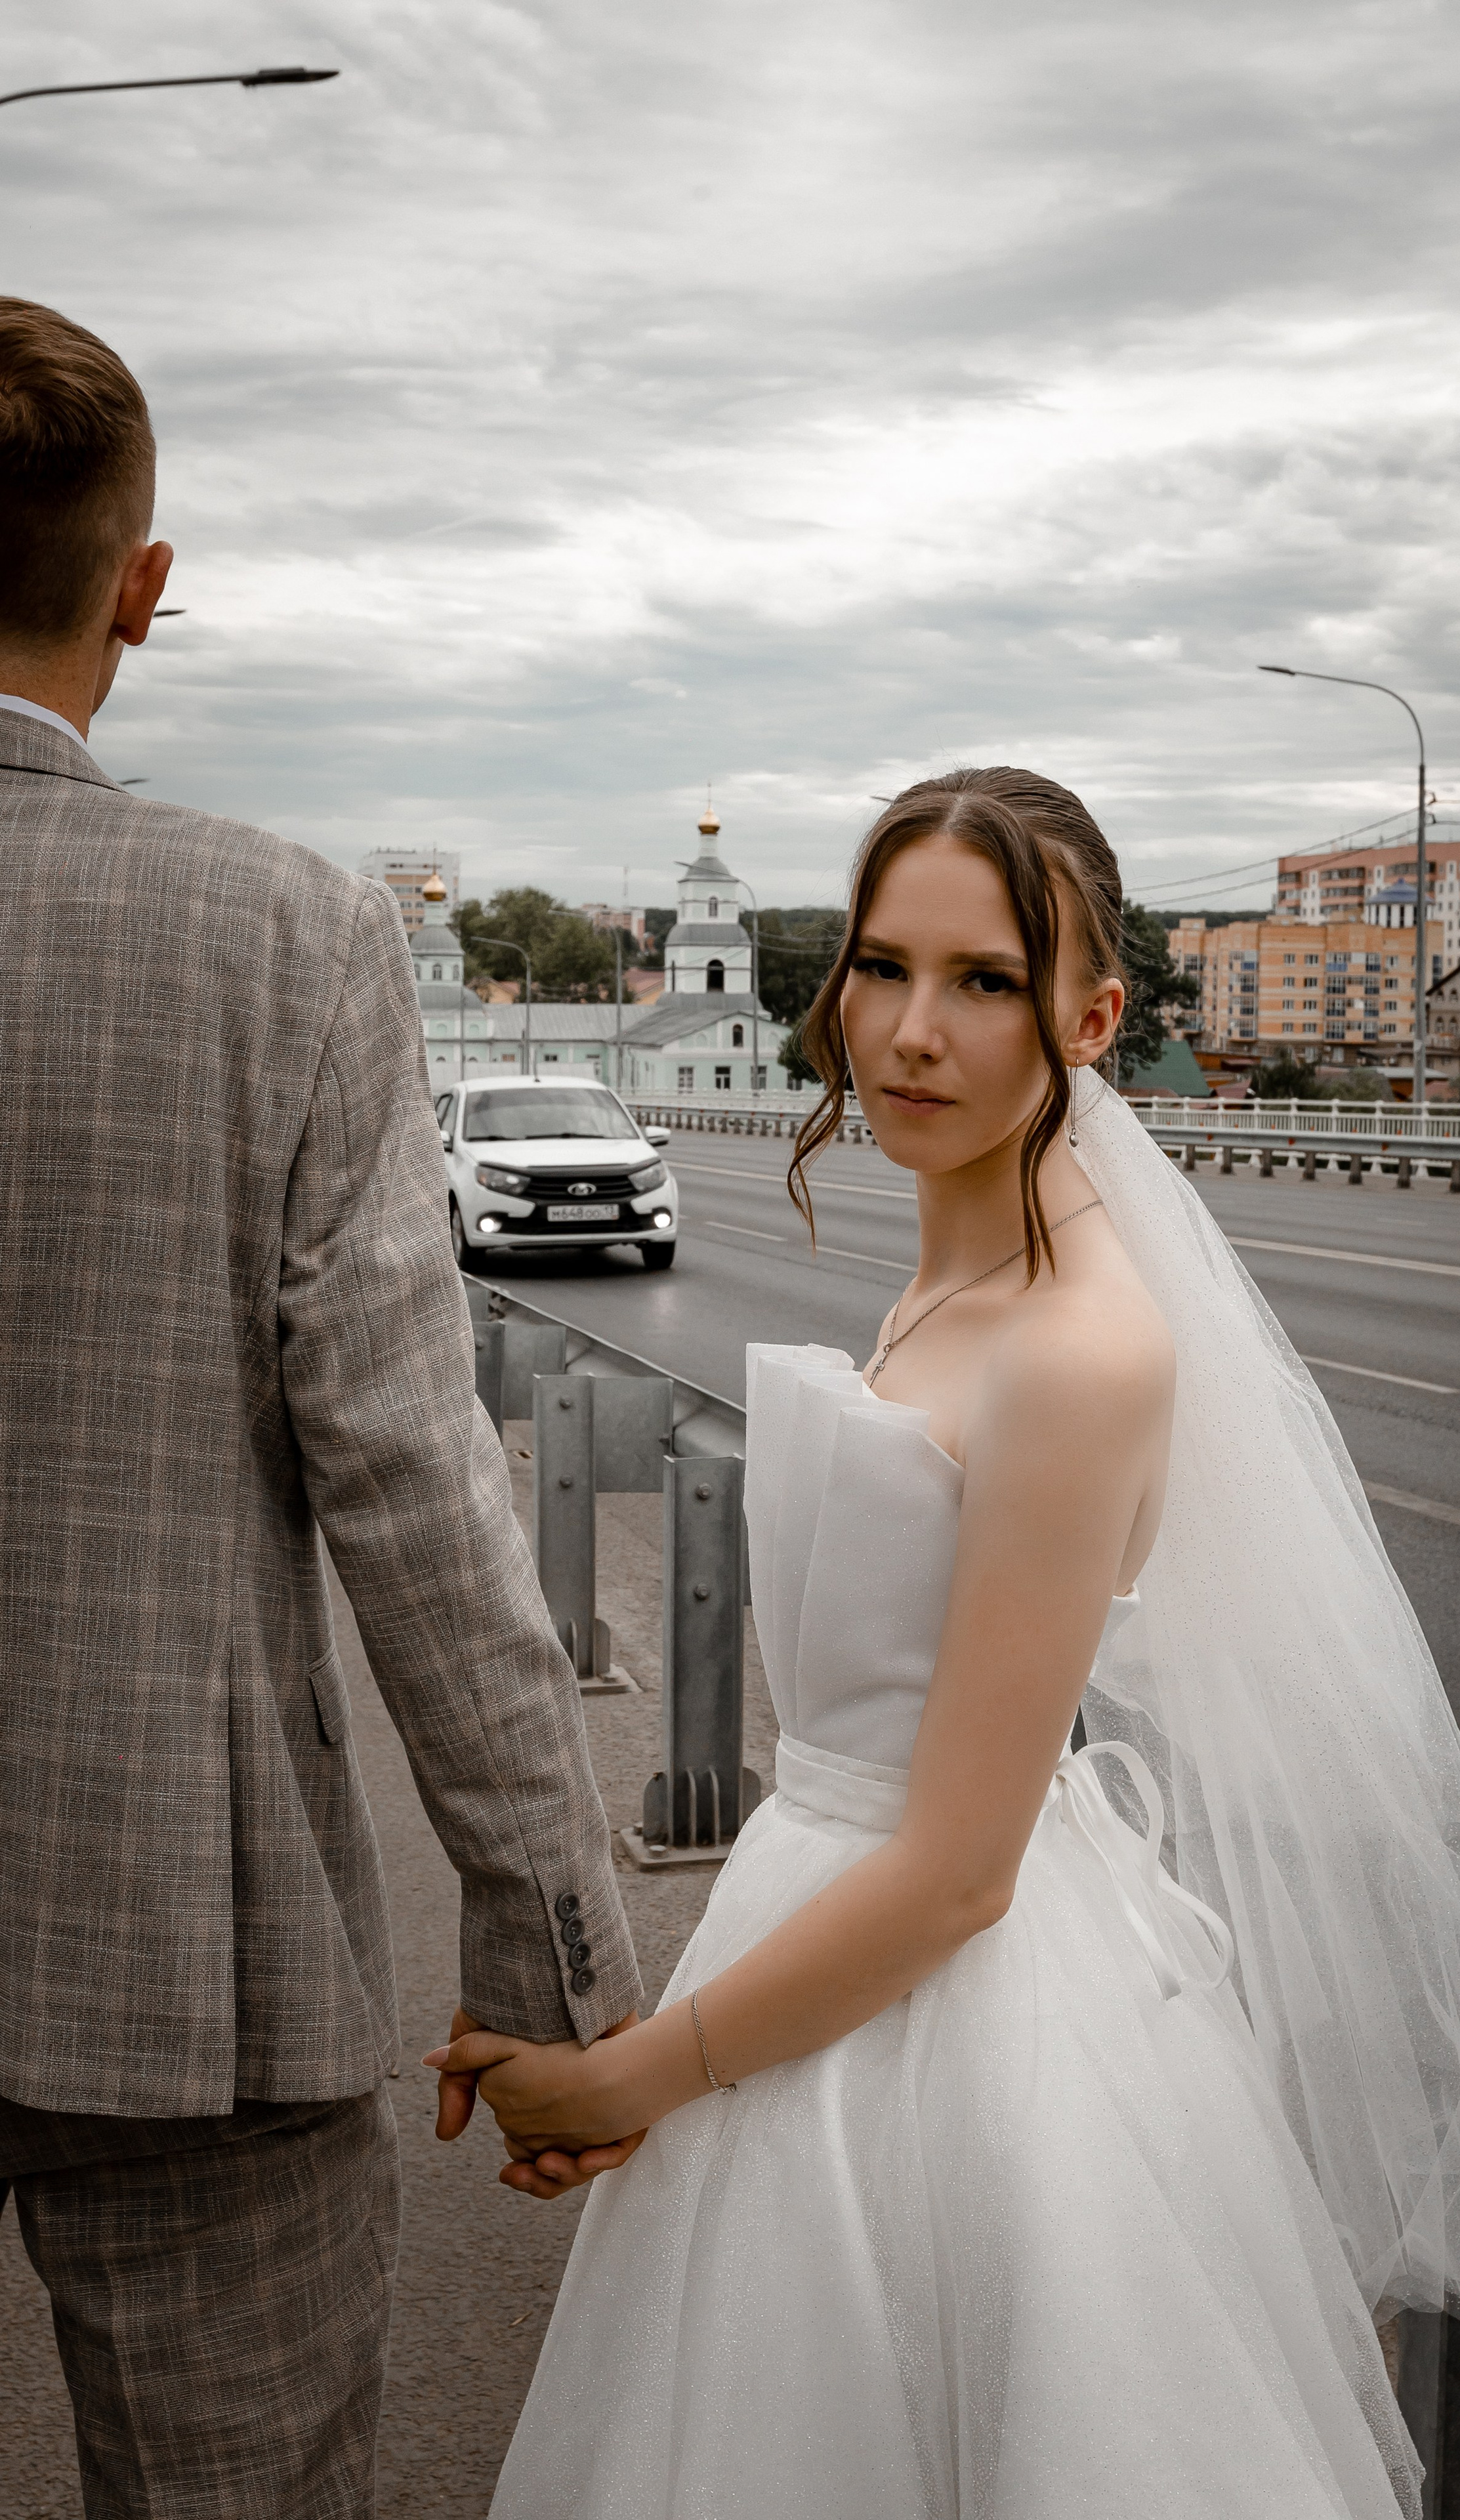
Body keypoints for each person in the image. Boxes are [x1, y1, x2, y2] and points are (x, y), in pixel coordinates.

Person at [430, 768, 1460, 2518]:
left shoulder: (1080, 1348)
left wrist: (633, 2075)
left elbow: (959, 1870)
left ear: (1093, 1020)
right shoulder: (949, 1279)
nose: (911, 1032)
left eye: (988, 982)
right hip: (818, 1916)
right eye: (882, 966)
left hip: (957, 2006)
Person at [0, 296, 640, 2519]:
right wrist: (550, 1955)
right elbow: (411, 1479)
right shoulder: (285, 934)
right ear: (142, 588)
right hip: (193, 1947)